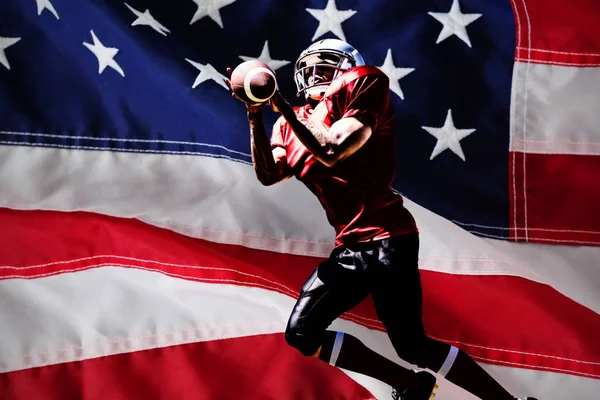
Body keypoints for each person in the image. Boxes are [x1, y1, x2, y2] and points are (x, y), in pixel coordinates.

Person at [226, 38, 537, 400]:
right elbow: (267, 174)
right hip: (354, 244)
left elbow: (332, 149)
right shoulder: (288, 124)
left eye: (325, 67)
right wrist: (254, 114)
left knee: (392, 342)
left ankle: (484, 398)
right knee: (330, 336)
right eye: (310, 68)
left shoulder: (363, 83)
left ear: (344, 68)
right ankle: (413, 385)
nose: (315, 74)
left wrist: (280, 105)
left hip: (386, 236)